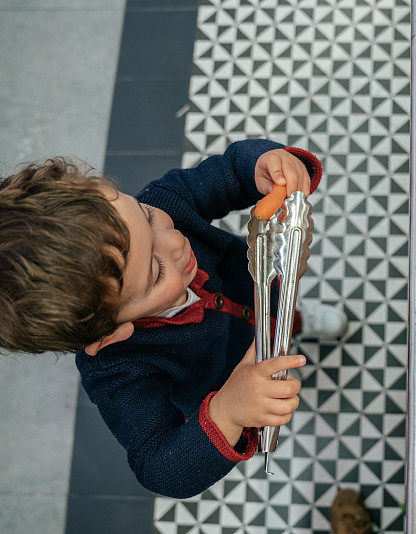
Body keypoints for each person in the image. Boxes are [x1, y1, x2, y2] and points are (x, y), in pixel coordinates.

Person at [0, 139, 348, 498]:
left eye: (147, 217)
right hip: (229, 375)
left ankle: (295, 322)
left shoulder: (160, 203)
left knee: (282, 315)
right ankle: (288, 328)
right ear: (111, 333)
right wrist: (227, 412)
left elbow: (226, 172)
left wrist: (262, 164)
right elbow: (159, 469)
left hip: (260, 290)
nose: (176, 242)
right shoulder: (117, 370)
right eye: (155, 270)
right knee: (272, 337)